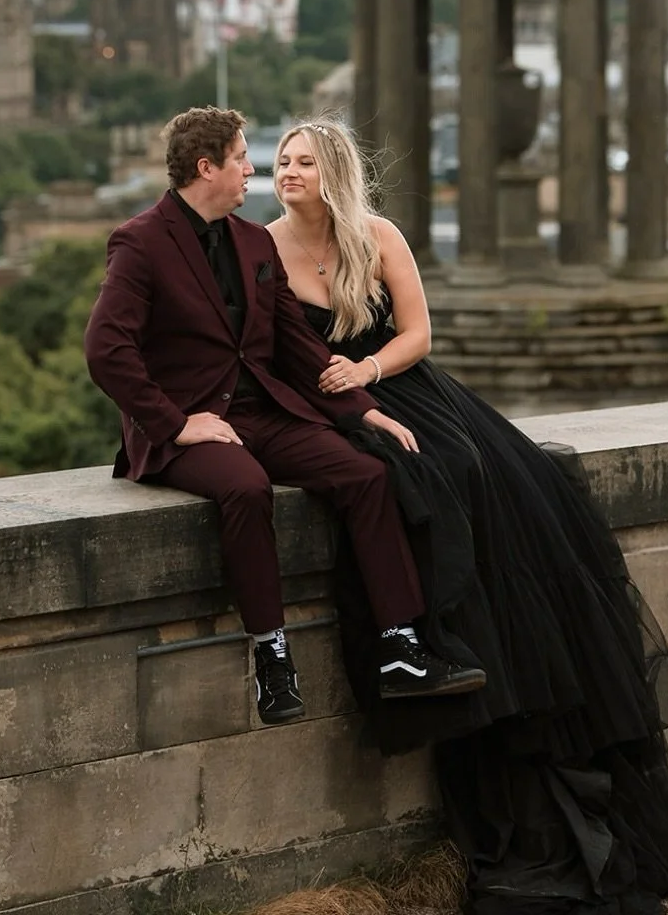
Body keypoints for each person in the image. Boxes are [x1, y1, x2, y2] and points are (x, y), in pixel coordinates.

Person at [267, 120, 668, 915]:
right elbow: (264, 354)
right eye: (280, 160)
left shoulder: (377, 237)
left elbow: (417, 334)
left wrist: (369, 369)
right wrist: (344, 399)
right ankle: (434, 638)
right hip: (337, 411)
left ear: (334, 172)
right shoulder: (259, 250)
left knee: (486, 478)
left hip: (407, 390)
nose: (288, 172)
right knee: (400, 483)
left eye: (305, 161)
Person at [83, 106, 485, 729]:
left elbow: (297, 345)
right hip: (187, 427)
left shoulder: (251, 241)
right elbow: (106, 350)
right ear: (206, 166)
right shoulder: (139, 242)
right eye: (243, 157)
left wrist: (364, 410)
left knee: (365, 474)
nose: (255, 169)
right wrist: (175, 423)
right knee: (245, 488)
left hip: (262, 412)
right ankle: (272, 655)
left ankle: (399, 649)